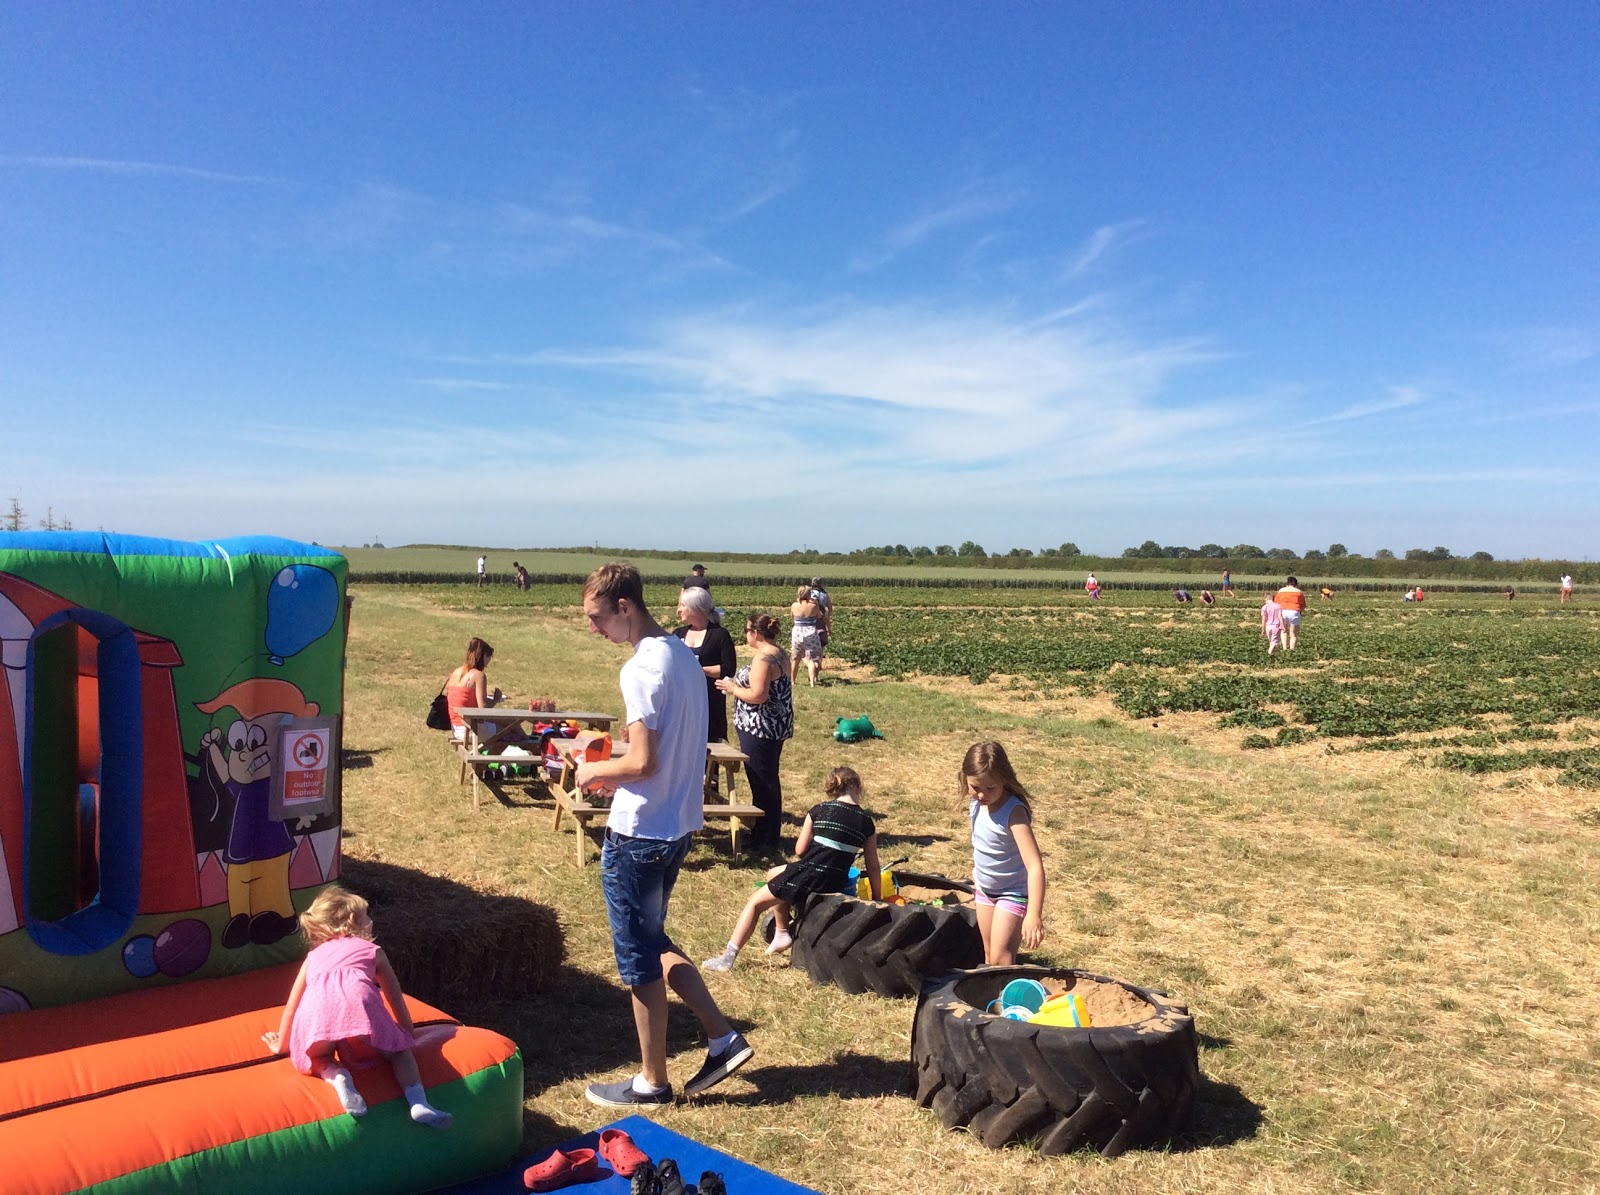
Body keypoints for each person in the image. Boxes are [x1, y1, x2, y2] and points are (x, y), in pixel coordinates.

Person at [575, 562, 752, 1107]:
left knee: (637, 960)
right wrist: (621, 775)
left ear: (625, 607)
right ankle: (722, 1037)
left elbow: (644, 761)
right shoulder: (681, 654)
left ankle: (652, 1082)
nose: (594, 628)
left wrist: (594, 771)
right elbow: (670, 753)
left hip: (639, 836)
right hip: (676, 823)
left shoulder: (641, 668)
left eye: (597, 618)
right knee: (651, 939)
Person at [261, 886, 452, 1129]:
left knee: (319, 1056)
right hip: (358, 1006)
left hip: (316, 1011)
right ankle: (418, 1103)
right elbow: (394, 996)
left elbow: (293, 1004)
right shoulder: (373, 951)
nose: (371, 922)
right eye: (367, 916)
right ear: (354, 920)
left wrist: (282, 1044)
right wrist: (406, 1033)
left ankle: (337, 1076)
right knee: (399, 1053)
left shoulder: (313, 957)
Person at [701, 766, 880, 972]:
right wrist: (877, 899)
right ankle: (781, 932)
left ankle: (728, 958)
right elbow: (873, 867)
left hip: (809, 875)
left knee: (755, 904)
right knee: (773, 874)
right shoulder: (867, 823)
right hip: (836, 880)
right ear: (857, 787)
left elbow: (800, 850)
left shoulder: (819, 810)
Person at [959, 742, 1045, 966]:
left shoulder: (1014, 813)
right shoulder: (975, 803)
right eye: (975, 787)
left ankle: (1006, 1000)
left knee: (1001, 958)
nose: (982, 794)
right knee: (988, 955)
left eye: (991, 788)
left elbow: (1035, 866)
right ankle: (992, 999)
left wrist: (1033, 914)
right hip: (985, 890)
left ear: (1005, 780)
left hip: (1012, 892)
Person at [716, 613, 794, 853]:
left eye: (747, 630)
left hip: (759, 727)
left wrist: (732, 688)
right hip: (776, 725)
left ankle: (764, 836)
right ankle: (767, 833)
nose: (745, 634)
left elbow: (758, 695)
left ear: (756, 633)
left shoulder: (763, 658)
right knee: (769, 778)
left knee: (761, 781)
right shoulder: (779, 653)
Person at [672, 587, 738, 744]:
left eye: (682, 605)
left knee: (708, 752)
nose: (679, 610)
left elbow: (728, 668)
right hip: (681, 703)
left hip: (709, 704)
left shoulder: (720, 634)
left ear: (696, 608)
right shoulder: (678, 634)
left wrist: (697, 670)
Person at [445, 637, 501, 741]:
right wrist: (495, 700)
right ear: (483, 656)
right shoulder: (478, 675)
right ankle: (534, 749)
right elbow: (483, 709)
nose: (489, 661)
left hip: (456, 728)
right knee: (510, 728)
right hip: (470, 730)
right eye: (489, 657)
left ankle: (490, 754)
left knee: (506, 727)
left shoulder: (455, 673)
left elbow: (462, 700)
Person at [789, 585, 827, 687]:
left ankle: (792, 681)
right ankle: (812, 682)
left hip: (797, 632)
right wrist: (816, 604)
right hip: (810, 632)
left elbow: (792, 616)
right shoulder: (813, 606)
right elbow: (819, 616)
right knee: (812, 659)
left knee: (795, 658)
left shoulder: (794, 605)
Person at [1275, 575, 1306, 650]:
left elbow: (1276, 603)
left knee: (1284, 631)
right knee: (1293, 634)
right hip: (1294, 611)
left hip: (1282, 611)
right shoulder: (1298, 592)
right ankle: (1292, 650)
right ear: (1295, 583)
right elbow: (1303, 605)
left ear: (1287, 582)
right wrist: (1299, 612)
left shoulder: (1281, 591)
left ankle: (1285, 649)